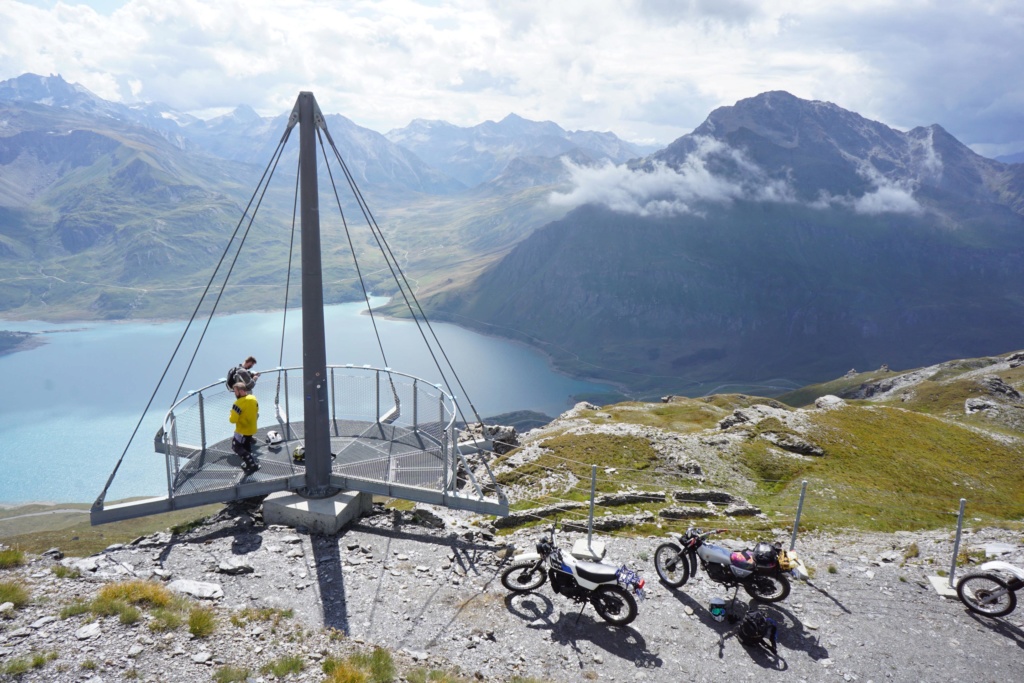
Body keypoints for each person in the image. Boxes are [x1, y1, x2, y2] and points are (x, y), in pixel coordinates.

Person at [229, 381, 260, 474]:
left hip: (242, 430)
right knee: (246, 446)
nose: (235, 393)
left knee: (236, 447)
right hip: (252, 428)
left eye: (236, 391)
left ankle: (252, 465)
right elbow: (257, 410)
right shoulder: (253, 398)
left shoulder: (237, 404)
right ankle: (248, 464)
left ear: (241, 391)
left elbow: (232, 420)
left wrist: (231, 414)